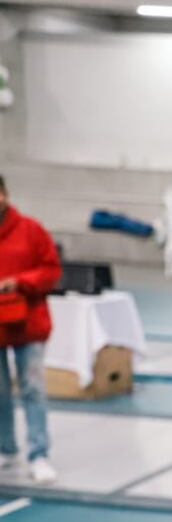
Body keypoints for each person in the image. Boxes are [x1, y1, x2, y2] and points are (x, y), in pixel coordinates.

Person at [0, 174, 62, 485]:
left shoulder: (31, 230)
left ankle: (39, 454)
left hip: (29, 324)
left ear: (5, 195)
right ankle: (6, 449)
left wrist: (20, 282)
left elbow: (51, 270)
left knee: (32, 389)